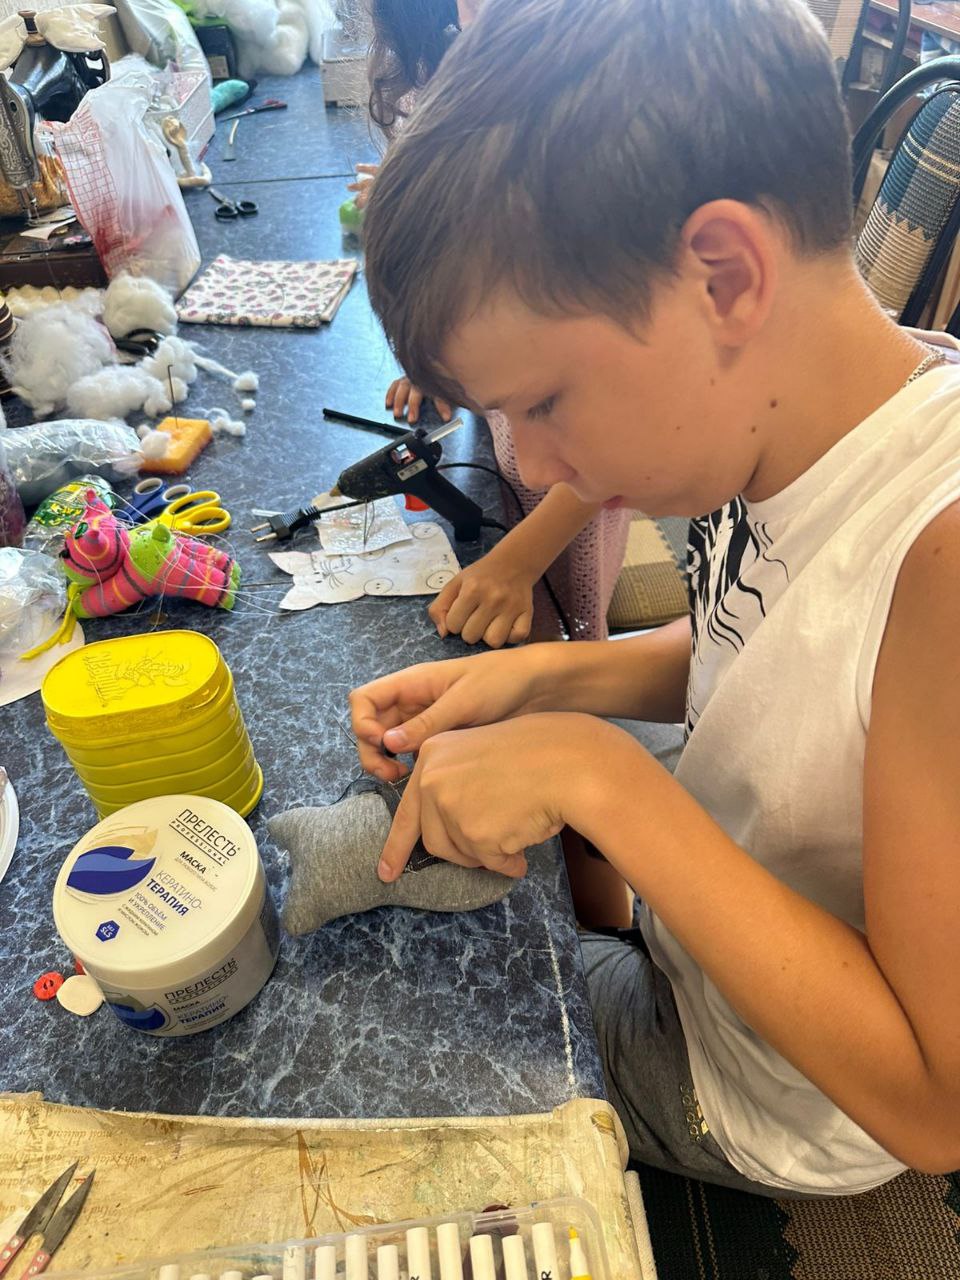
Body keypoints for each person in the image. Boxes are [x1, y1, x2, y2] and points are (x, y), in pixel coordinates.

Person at [349, 0, 960, 1198]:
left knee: (380, 1028)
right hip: (700, 955)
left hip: (756, 1087)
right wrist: (544, 677)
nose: (530, 463)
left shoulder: (943, 562)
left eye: (544, 402)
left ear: (722, 275)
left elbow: (939, 1104)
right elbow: (772, 646)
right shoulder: (798, 424)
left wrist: (599, 775)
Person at [351, 0, 632, 647]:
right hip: (546, 467)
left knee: (557, 631)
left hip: (568, 509)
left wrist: (520, 559)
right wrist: (445, 357)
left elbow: (614, 440)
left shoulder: (567, 122)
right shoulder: (467, 70)